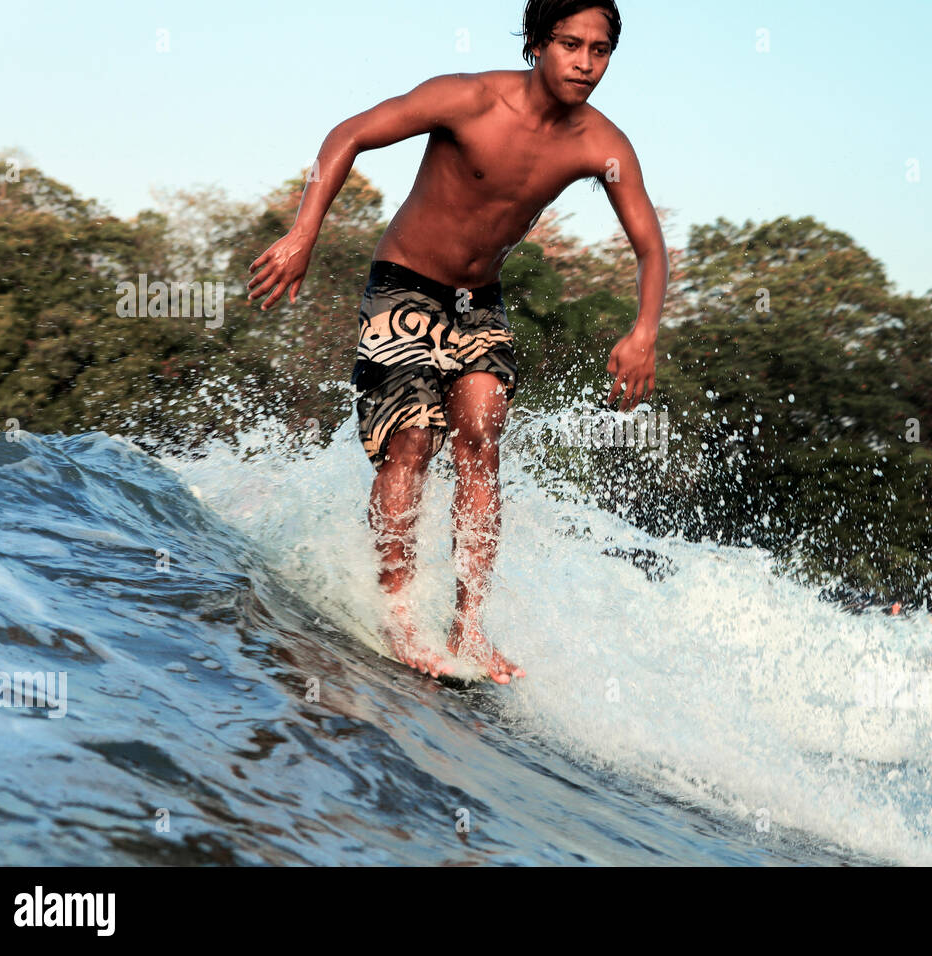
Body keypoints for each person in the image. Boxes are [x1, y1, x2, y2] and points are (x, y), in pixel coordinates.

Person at [246, 0, 667, 684]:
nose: (585, 63)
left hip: (480, 302)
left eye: (600, 50)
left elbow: (650, 245)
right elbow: (347, 134)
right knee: (412, 441)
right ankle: (399, 616)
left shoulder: (602, 146)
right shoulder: (467, 100)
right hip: (404, 284)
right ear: (536, 43)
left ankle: (469, 627)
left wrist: (644, 329)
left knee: (482, 434)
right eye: (570, 44)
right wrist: (304, 233)